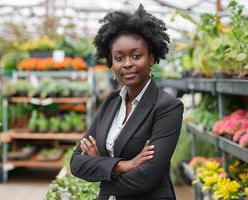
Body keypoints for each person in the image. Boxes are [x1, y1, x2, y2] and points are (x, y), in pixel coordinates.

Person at [70, 4, 184, 200]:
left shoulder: (167, 107)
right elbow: (76, 162)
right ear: (111, 63)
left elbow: (146, 177)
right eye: (119, 57)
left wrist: (101, 169)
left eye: (136, 55)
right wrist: (123, 165)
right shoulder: (111, 102)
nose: (128, 63)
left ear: (151, 59)